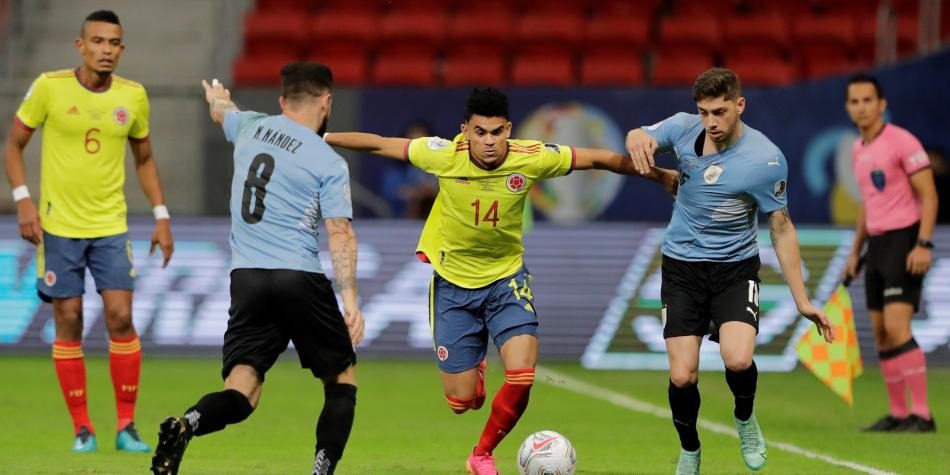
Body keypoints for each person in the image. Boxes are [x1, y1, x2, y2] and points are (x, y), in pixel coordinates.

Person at [325, 87, 678, 475]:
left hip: (506, 279)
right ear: (465, 131)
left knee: (522, 373)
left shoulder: (532, 157)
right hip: (453, 286)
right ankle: (473, 374)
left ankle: (481, 454)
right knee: (461, 401)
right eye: (480, 132)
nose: (489, 142)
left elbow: (598, 158)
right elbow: (377, 144)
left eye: (497, 132)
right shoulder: (444, 154)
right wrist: (319, 136)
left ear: (508, 129)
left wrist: (658, 175)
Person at [150, 63, 364, 475]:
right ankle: (322, 470)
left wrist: (216, 95)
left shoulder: (249, 127)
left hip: (246, 278)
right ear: (327, 101)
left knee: (242, 388)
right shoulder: (328, 161)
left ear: (283, 102)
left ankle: (186, 423)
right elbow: (339, 232)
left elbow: (222, 111)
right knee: (342, 379)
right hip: (298, 275)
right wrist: (350, 300)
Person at [625, 68, 834, 474]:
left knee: (738, 360)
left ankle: (744, 419)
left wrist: (803, 300)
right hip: (682, 268)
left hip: (734, 270)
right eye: (703, 112)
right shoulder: (684, 130)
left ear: (740, 105)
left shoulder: (765, 159)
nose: (711, 122)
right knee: (683, 377)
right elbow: (640, 133)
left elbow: (781, 227)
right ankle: (690, 449)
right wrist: (639, 136)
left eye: (719, 112)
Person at [3, 10, 173, 453]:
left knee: (120, 318)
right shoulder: (49, 87)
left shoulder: (133, 97)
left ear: (122, 49)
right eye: (97, 41)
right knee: (70, 321)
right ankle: (82, 428)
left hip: (111, 226)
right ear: (80, 46)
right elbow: (14, 145)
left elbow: (144, 160)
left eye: (114, 43)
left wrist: (161, 215)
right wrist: (23, 199)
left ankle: (126, 426)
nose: (106, 50)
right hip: (59, 227)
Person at [842, 73, 938, 433]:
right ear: (848, 108)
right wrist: (855, 251)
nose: (861, 107)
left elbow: (929, 195)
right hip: (878, 245)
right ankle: (899, 413)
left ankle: (923, 414)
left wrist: (924, 243)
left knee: (899, 327)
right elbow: (869, 203)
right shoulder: (857, 149)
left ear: (881, 105)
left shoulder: (902, 142)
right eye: (855, 101)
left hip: (905, 238)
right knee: (881, 332)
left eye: (868, 100)